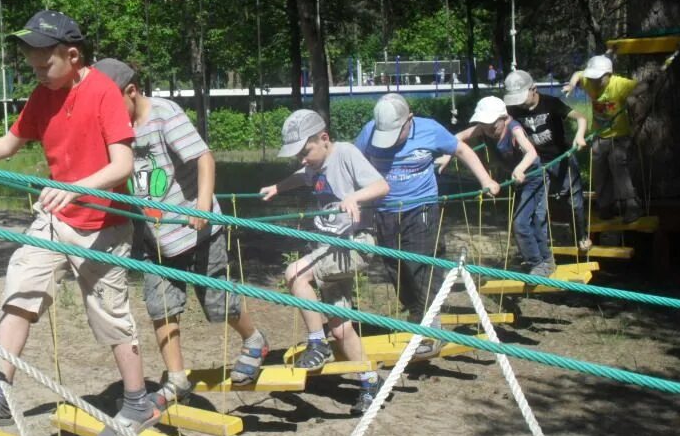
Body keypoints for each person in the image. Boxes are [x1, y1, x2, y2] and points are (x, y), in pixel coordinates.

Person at [0, 11, 159, 436]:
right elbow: (9, 144)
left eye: (45, 65)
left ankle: (137, 401)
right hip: (55, 218)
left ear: (73, 55)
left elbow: (121, 165)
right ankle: (0, 395)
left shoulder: (102, 92)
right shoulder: (42, 95)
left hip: (103, 224)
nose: (39, 74)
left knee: (110, 317)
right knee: (19, 294)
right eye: (33, 66)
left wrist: (76, 189)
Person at [92, 58, 270, 397]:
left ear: (131, 91)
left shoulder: (164, 114)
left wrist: (203, 204)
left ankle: (254, 339)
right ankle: (176, 378)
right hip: (155, 239)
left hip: (198, 231)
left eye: (109, 104)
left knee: (220, 304)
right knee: (161, 307)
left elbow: (204, 158)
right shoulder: (116, 130)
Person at [261, 110, 390, 414]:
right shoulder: (314, 164)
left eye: (305, 152)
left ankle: (316, 343)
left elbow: (382, 186)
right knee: (341, 325)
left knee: (296, 274)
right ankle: (370, 383)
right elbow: (300, 177)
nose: (302, 160)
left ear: (324, 139)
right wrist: (278, 187)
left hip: (355, 245)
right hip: (331, 248)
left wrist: (355, 197)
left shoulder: (344, 152)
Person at [355, 94, 500, 356]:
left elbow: (462, 149)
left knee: (420, 267)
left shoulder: (429, 129)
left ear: (409, 120)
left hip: (421, 209)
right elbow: (354, 162)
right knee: (396, 269)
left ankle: (430, 330)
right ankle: (418, 316)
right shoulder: (369, 132)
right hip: (384, 212)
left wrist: (486, 180)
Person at [449, 96, 554, 276]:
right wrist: (446, 154)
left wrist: (520, 168)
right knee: (528, 220)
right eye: (484, 125)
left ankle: (540, 262)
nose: (489, 130)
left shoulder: (514, 129)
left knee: (524, 222)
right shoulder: (483, 128)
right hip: (518, 180)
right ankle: (540, 259)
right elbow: (458, 137)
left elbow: (531, 152)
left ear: (504, 118)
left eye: (493, 125)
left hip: (534, 178)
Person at [504, 70, 591, 250]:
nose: (518, 102)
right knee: (538, 207)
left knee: (573, 202)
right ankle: (541, 248)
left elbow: (581, 118)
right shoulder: (513, 109)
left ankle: (581, 235)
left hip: (561, 158)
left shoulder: (551, 104)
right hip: (536, 163)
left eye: (521, 96)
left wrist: (580, 135)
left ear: (533, 89)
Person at [561, 55, 641, 224]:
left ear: (609, 75)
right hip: (598, 135)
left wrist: (637, 92)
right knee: (599, 170)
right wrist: (572, 84)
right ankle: (605, 206)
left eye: (598, 79)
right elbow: (578, 73)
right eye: (592, 78)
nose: (594, 82)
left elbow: (639, 87)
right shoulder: (588, 80)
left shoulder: (619, 84)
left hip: (618, 136)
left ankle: (631, 204)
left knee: (618, 167)